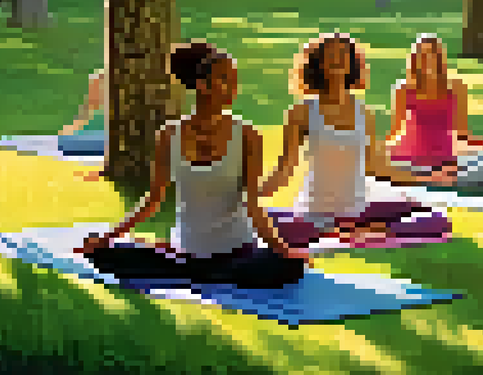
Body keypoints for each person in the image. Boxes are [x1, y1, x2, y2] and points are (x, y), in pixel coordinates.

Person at [75, 42, 310, 288]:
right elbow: (153, 199)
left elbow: (253, 205)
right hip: (185, 251)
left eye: (234, 81)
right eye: (224, 80)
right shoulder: (169, 135)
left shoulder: (248, 135)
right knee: (102, 254)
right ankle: (202, 274)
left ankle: (195, 274)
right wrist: (107, 237)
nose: (233, 88)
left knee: (285, 264)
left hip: (238, 252)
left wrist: (284, 249)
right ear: (202, 85)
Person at [259, 33, 454, 248]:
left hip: (358, 209)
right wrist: (251, 193)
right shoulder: (301, 112)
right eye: (330, 54)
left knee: (436, 218)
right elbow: (284, 171)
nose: (337, 58)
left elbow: (377, 167)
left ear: (352, 63)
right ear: (317, 63)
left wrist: (429, 177)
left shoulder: (364, 113)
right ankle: (349, 231)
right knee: (261, 222)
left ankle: (367, 230)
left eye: (343, 53)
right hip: (315, 212)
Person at [386, 34, 483, 187]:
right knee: (380, 160)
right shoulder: (403, 88)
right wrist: (379, 151)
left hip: (446, 159)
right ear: (415, 59)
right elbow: (396, 132)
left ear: (440, 58)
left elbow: (462, 134)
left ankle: (439, 176)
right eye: (423, 55)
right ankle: (430, 176)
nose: (428, 60)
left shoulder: (455, 87)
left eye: (433, 54)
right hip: (412, 158)